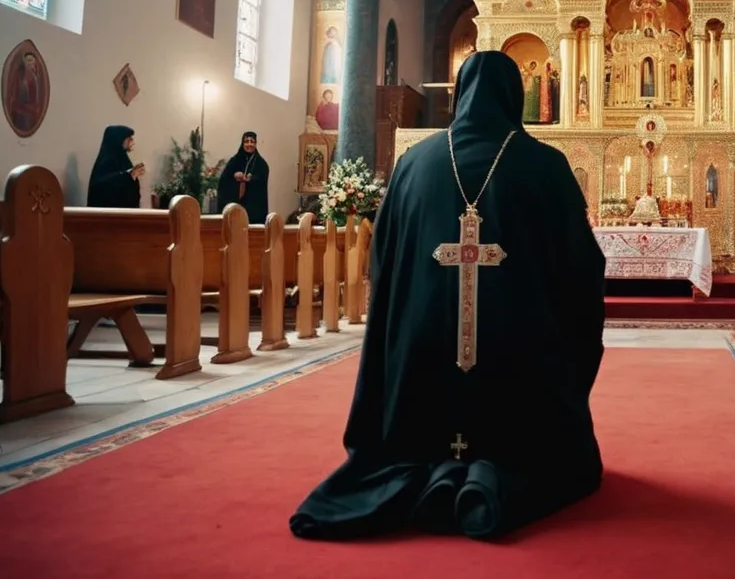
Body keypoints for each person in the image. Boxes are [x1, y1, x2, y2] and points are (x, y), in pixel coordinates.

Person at [290, 50, 606, 542]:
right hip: (518, 368)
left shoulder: (414, 163)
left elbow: (384, 262)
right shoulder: (546, 167)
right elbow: (583, 272)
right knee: (543, 449)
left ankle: (426, 468)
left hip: (422, 358)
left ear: (459, 95)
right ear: (514, 98)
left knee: (418, 422)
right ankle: (491, 477)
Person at [216, 131, 269, 223]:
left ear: (255, 144)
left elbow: (262, 180)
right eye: (246, 141)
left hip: (253, 211)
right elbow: (223, 181)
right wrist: (234, 176)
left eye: (252, 141)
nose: (249, 144)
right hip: (235, 207)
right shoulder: (234, 161)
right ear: (242, 143)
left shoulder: (261, 164)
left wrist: (251, 179)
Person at [87, 125, 143, 208]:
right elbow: (101, 187)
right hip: (107, 216)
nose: (132, 142)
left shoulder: (123, 158)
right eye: (128, 138)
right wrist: (128, 175)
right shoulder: (106, 160)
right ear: (118, 140)